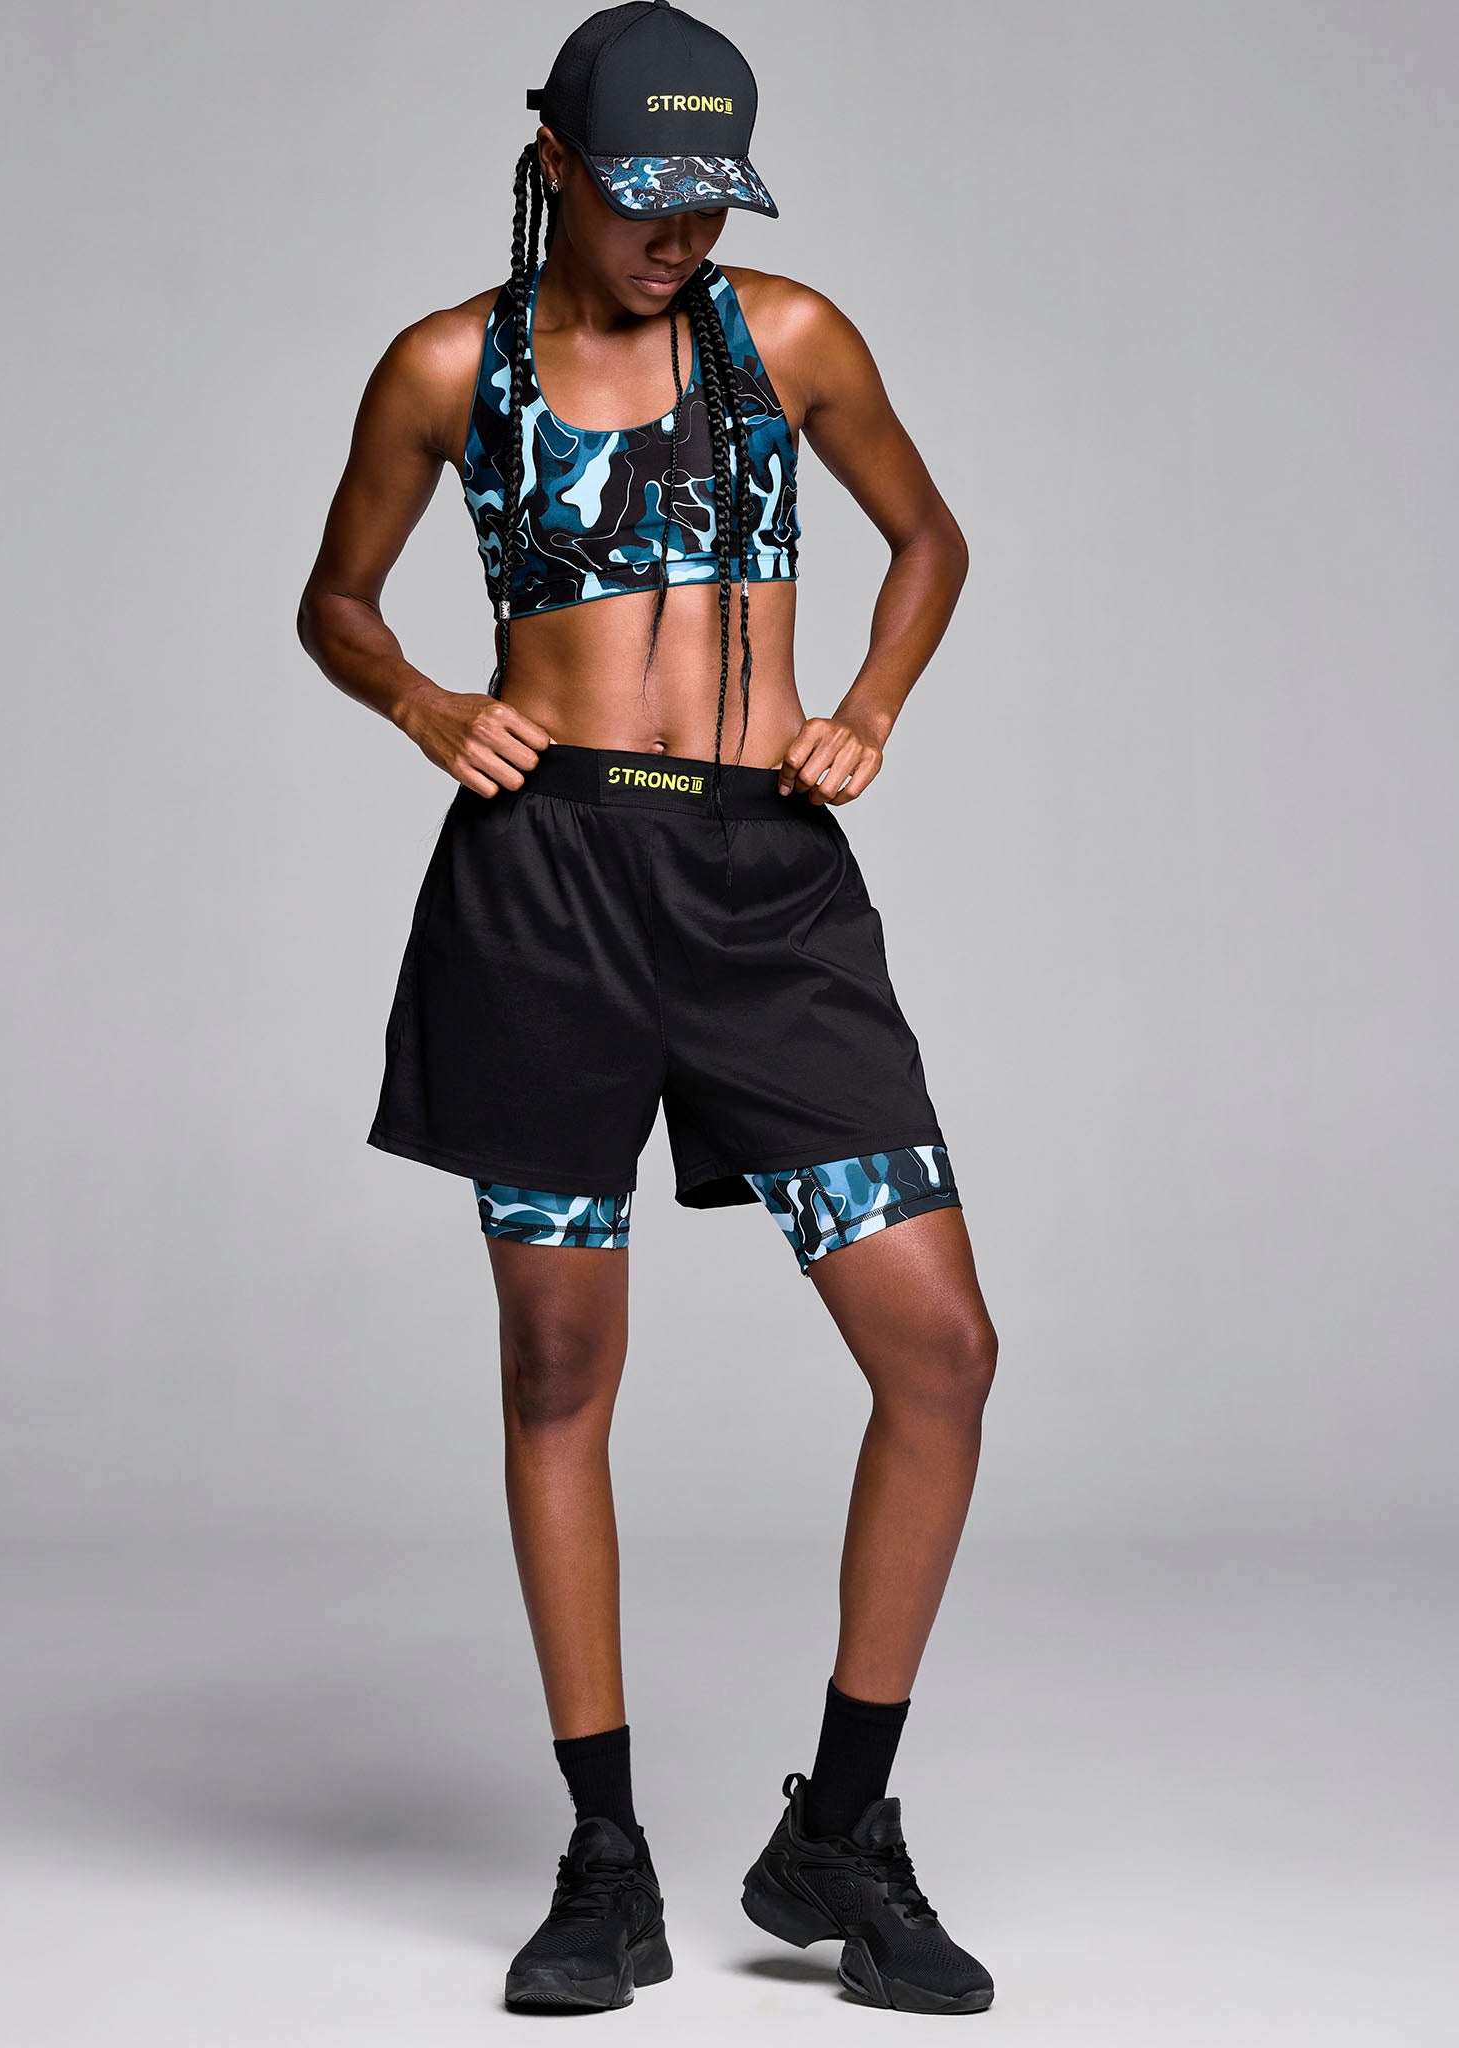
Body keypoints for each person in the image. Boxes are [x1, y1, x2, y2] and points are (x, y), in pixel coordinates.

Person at [297, 1, 998, 2017]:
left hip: (767, 888)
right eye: (641, 196)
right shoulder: (448, 367)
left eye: (710, 200)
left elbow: (930, 537)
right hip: (545, 891)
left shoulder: (790, 337)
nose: (678, 236)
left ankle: (837, 1831)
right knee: (555, 1364)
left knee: (939, 1349)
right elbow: (335, 600)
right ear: (555, 164)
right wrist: (424, 702)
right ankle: (603, 1859)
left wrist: (867, 709)